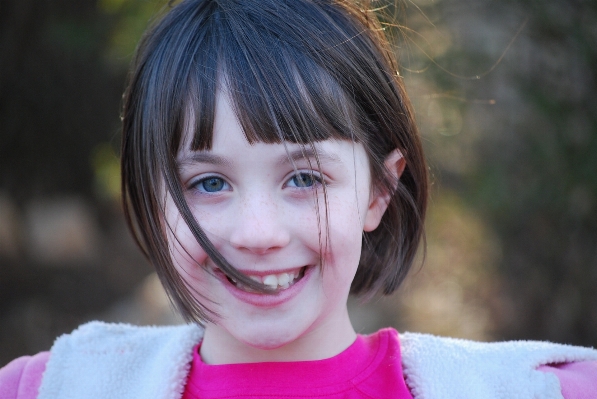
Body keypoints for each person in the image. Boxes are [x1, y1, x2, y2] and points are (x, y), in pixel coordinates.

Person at [1, 0, 596, 398]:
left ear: (380, 191)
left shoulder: (537, 389)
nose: (257, 233)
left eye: (305, 178)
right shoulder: (54, 387)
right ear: (154, 200)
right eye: (208, 182)